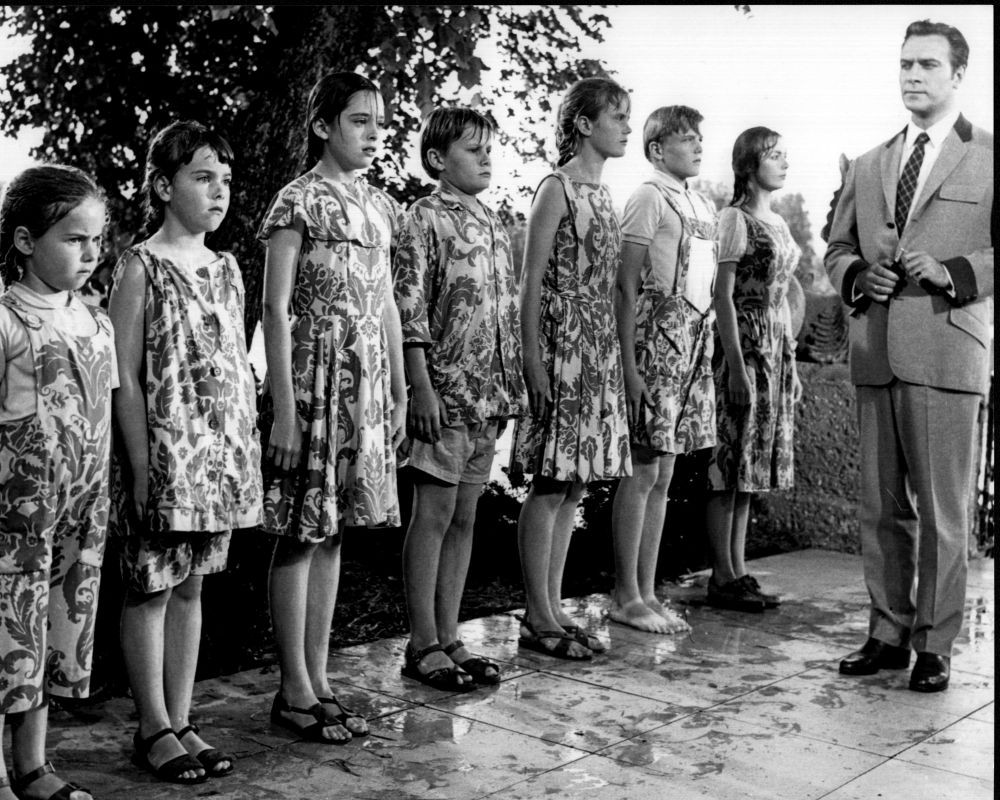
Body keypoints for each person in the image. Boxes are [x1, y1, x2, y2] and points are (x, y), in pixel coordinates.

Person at [826, 20, 993, 693]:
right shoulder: (869, 165)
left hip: (948, 352)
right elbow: (836, 250)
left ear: (958, 74)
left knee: (945, 514)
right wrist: (860, 276)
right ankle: (887, 632)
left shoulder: (988, 156)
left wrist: (952, 267)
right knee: (880, 509)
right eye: (904, 65)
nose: (913, 76)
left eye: (927, 65)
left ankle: (934, 644)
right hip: (875, 353)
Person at [110, 121, 262, 783]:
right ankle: (151, 727)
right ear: (164, 184)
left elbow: (230, 366)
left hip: (216, 460)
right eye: (203, 177)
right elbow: (126, 376)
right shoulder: (141, 265)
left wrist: (240, 450)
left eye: (225, 180)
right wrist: (142, 465)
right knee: (150, 588)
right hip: (164, 460)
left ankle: (181, 714)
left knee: (193, 587)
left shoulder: (227, 268)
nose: (218, 191)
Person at [258, 71, 406, 742]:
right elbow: (275, 308)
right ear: (323, 126)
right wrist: (284, 406)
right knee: (302, 529)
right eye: (360, 121)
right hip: (315, 380)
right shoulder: (299, 201)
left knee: (336, 529)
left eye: (380, 122)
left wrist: (398, 391)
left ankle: (317, 678)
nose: (375, 134)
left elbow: (387, 307)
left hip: (367, 386)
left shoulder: (379, 207)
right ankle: (292, 687)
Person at [393, 107, 526, 690]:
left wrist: (511, 385)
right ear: (437, 161)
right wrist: (419, 386)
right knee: (435, 513)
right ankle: (421, 641)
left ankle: (450, 634)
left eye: (489, 148)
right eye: (473, 150)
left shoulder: (495, 221)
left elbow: (502, 312)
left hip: (487, 396)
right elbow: (410, 307)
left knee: (466, 517)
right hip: (443, 394)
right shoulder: (422, 218)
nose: (487, 157)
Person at [509, 77, 632, 660]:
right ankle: (536, 615)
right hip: (561, 347)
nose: (626, 128)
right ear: (585, 124)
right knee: (552, 480)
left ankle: (553, 606)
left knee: (576, 481)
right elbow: (529, 283)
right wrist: (531, 361)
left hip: (596, 348)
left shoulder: (605, 195)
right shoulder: (555, 188)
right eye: (617, 117)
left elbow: (608, 285)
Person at [0, 165, 111, 800]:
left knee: (50, 634)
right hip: (17, 516)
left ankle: (35, 765)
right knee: (7, 634)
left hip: (80, 510)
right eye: (74, 238)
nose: (90, 252)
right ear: (23, 242)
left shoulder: (96, 322)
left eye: (96, 238)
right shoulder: (10, 320)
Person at [611, 105, 718, 634]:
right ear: (657, 149)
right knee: (644, 465)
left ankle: (647, 590)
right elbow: (626, 284)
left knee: (667, 470)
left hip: (691, 344)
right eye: (686, 139)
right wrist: (629, 368)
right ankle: (625, 593)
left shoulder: (700, 201)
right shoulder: (648, 196)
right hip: (655, 340)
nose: (698, 145)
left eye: (700, 138)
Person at [705, 127, 802, 612]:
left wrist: (792, 361)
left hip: (774, 351)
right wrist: (737, 369)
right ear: (748, 164)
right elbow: (721, 296)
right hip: (742, 347)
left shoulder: (779, 223)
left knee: (750, 466)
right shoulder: (734, 219)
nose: (784, 163)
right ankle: (721, 576)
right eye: (774, 156)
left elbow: (783, 295)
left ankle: (738, 570)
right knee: (729, 462)